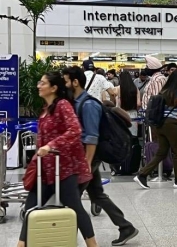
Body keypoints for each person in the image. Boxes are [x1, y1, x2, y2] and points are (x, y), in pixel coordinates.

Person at [17, 72, 97, 247]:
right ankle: (20, 244)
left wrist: (51, 146)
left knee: (75, 208)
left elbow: (74, 130)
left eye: (43, 83)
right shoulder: (46, 109)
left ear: (54, 88)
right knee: (30, 208)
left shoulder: (63, 105)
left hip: (64, 169)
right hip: (45, 171)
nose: (39, 85)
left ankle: (93, 245)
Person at [62, 66, 139, 246]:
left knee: (72, 197)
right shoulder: (77, 101)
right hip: (87, 157)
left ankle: (65, 237)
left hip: (90, 157)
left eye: (66, 81)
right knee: (97, 194)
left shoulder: (88, 104)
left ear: (75, 82)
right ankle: (125, 227)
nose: (63, 84)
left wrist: (87, 163)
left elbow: (91, 137)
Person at [134, 71, 177, 189]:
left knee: (162, 152)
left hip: (160, 124)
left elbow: (173, 109)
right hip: (171, 124)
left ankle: (142, 174)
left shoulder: (163, 91)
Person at [114, 70, 141, 137]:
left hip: (120, 114)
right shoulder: (135, 89)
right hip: (133, 115)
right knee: (132, 135)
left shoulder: (117, 89)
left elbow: (116, 103)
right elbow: (138, 104)